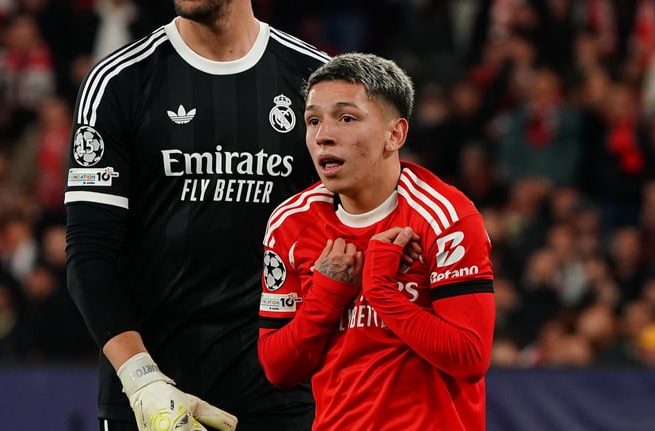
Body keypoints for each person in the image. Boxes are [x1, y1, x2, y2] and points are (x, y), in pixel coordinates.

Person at [63, 1, 329, 430]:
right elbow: (89, 254)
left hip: (283, 397)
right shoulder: (118, 82)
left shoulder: (317, 81)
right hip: (152, 398)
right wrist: (142, 382)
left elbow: (351, 227)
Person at [257, 53, 496, 430]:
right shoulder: (291, 223)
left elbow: (470, 357)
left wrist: (382, 292)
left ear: (395, 134)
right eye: (313, 120)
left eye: (346, 118)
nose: (323, 135)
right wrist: (326, 296)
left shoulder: (445, 216)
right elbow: (278, 369)